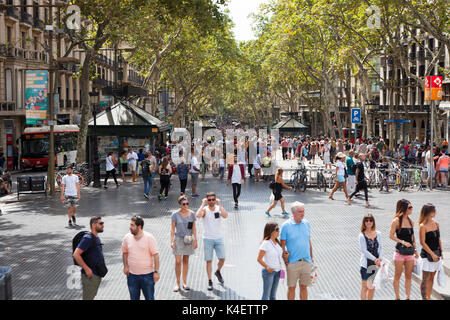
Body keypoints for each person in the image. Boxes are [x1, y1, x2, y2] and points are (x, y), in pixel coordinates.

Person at [280, 202, 314, 300]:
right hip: (292, 262)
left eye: (303, 211)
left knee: (304, 287)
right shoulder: (286, 226)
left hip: (306, 261)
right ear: (293, 213)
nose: (302, 214)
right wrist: (286, 261)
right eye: (300, 212)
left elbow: (308, 241)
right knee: (292, 288)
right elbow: (282, 245)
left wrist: (311, 258)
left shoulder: (306, 223)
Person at [122, 216, 160, 300]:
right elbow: (124, 252)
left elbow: (156, 255)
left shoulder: (149, 238)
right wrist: (125, 266)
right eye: (130, 225)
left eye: (132, 225)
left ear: (139, 227)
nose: (130, 227)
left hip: (147, 276)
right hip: (132, 276)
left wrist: (156, 272)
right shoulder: (127, 237)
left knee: (149, 298)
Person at [196, 193, 228, 291]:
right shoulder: (205, 210)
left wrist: (220, 204)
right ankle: (210, 280)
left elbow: (225, 215)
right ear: (206, 200)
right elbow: (197, 215)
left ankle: (218, 271)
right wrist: (202, 204)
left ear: (215, 199)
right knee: (209, 260)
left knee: (222, 259)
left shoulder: (219, 208)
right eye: (209, 200)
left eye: (212, 199)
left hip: (218, 238)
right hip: (208, 238)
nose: (211, 201)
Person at [389, 199, 418, 300]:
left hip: (410, 253)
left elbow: (413, 237)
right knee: (397, 275)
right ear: (405, 209)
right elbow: (391, 235)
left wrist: (416, 250)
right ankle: (397, 297)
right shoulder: (396, 221)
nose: (411, 209)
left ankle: (407, 297)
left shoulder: (411, 221)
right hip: (399, 252)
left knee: (408, 276)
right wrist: (402, 242)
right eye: (410, 207)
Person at [73, 216, 106, 300]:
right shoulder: (87, 238)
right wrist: (87, 269)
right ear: (93, 224)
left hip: (96, 274)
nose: (103, 225)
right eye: (101, 223)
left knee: (91, 296)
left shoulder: (95, 237)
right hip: (90, 276)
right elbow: (76, 254)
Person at [171, 196, 198, 292]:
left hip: (188, 239)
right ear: (180, 204)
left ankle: (184, 282)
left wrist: (195, 240)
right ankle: (177, 283)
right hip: (178, 239)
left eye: (187, 203)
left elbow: (194, 228)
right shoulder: (175, 214)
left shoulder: (192, 214)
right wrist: (171, 241)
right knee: (178, 261)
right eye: (184, 204)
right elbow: (172, 229)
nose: (186, 205)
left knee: (186, 261)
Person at [418, 203, 443, 300]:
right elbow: (422, 242)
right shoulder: (422, 226)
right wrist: (432, 254)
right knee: (425, 278)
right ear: (429, 212)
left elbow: (438, 239)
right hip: (427, 256)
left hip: (436, 254)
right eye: (434, 211)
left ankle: (429, 296)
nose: (435, 212)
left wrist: (441, 252)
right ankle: (424, 298)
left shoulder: (436, 224)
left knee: (432, 277)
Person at [359, 214, 383, 300]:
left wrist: (380, 258)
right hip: (366, 265)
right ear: (364, 222)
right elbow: (364, 251)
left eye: (370, 220)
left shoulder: (378, 234)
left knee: (372, 286)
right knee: (365, 287)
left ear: (373, 222)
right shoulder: (362, 235)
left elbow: (380, 247)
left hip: (375, 265)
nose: (369, 222)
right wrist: (375, 259)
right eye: (367, 220)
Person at [257, 222, 283, 300]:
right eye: (277, 229)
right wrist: (267, 267)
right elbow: (259, 259)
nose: (279, 231)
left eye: (279, 229)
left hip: (278, 271)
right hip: (269, 272)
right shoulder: (265, 243)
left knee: (273, 295)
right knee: (266, 295)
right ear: (271, 231)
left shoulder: (277, 242)